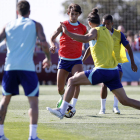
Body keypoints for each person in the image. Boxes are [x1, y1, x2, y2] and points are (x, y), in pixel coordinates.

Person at [46, 8, 139, 120]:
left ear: (89, 23)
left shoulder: (94, 31)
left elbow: (86, 39)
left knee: (71, 81)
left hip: (102, 70)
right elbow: (91, 45)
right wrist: (83, 59)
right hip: (114, 71)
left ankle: (62, 111)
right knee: (125, 100)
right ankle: (65, 108)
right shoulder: (108, 31)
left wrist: (68, 33)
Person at [0, 1, 51, 140]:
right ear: (29, 11)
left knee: (5, 100)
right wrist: (48, 58)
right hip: (27, 68)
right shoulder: (35, 24)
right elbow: (44, 43)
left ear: (17, 12)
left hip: (10, 68)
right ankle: (32, 136)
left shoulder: (8, 25)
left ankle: (0, 134)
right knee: (33, 102)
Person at [49, 4, 87, 108]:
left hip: (76, 60)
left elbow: (89, 38)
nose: (73, 16)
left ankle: (72, 107)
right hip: (63, 60)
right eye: (72, 14)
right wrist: (52, 46)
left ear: (79, 14)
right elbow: (52, 38)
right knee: (60, 88)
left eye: (76, 14)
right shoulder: (63, 25)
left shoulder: (83, 28)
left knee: (76, 82)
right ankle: (63, 98)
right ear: (68, 13)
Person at [98, 14, 137, 114]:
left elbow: (128, 48)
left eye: (108, 23)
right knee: (104, 84)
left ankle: (115, 106)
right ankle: (102, 108)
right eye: (104, 23)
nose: (106, 26)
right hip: (104, 63)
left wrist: (132, 62)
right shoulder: (100, 33)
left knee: (118, 81)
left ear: (112, 23)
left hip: (116, 63)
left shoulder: (119, 34)